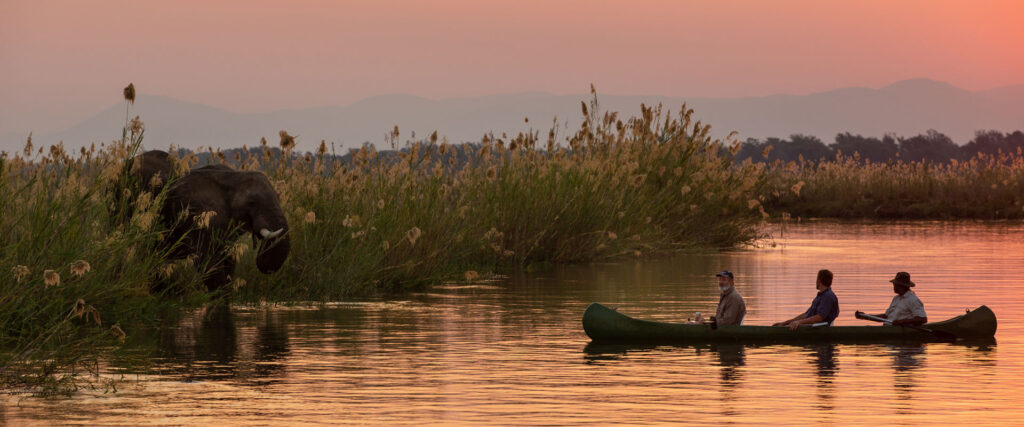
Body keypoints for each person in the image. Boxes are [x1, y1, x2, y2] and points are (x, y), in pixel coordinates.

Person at [773, 269, 840, 330]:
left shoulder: (828, 296)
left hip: (820, 328)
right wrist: (785, 323)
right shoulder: (821, 296)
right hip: (813, 327)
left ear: (819, 280)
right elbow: (806, 315)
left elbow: (820, 317)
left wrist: (799, 322)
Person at [858, 271, 927, 326]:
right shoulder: (896, 299)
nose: (893, 286)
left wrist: (902, 321)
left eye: (895, 284)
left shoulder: (912, 300)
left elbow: (922, 319)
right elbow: (885, 316)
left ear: (901, 286)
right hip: (888, 327)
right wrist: (866, 316)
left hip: (899, 329)